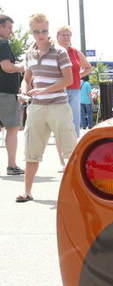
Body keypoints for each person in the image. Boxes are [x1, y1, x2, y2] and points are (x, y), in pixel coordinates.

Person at [17, 13, 76, 203]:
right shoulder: (30, 54)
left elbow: (68, 79)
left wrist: (43, 90)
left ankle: (77, 193)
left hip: (59, 105)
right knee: (31, 151)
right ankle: (27, 192)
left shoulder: (60, 52)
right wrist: (24, 92)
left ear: (48, 30)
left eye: (43, 30)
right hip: (37, 107)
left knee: (70, 151)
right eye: (36, 31)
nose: (40, 34)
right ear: (31, 31)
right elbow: (26, 79)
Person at [0, 14, 25, 176]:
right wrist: (22, 67)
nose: (11, 31)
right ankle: (12, 165)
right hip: (5, 93)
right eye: (9, 27)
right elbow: (6, 67)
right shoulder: (3, 45)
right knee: (13, 128)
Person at [56, 26, 91, 137]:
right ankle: (61, 143)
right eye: (63, 35)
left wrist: (77, 76)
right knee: (61, 119)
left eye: (68, 35)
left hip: (75, 89)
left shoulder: (75, 52)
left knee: (75, 119)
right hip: (59, 90)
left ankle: (74, 143)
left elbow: (88, 68)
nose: (66, 37)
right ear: (57, 37)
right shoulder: (53, 52)